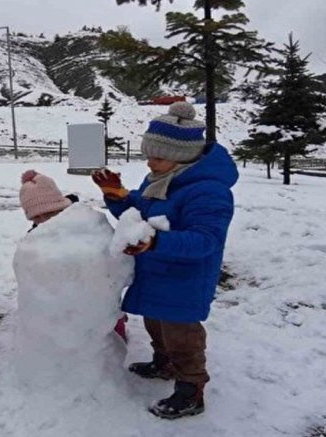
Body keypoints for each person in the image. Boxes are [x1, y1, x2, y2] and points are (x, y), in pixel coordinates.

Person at [91, 102, 237, 420]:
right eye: (148, 154)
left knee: (181, 334)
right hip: (157, 270)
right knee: (155, 321)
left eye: (157, 156)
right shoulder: (160, 178)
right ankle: (164, 363)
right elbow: (140, 213)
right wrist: (117, 196)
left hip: (184, 277)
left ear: (182, 155)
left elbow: (205, 241)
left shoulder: (208, 192)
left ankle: (191, 389)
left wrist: (156, 241)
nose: (149, 162)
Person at [19, 169, 128, 341]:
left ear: (58, 206)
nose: (43, 220)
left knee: (106, 310)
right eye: (36, 217)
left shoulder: (84, 223)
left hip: (96, 285)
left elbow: (108, 251)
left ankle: (115, 333)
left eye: (48, 213)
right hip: (65, 293)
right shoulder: (36, 234)